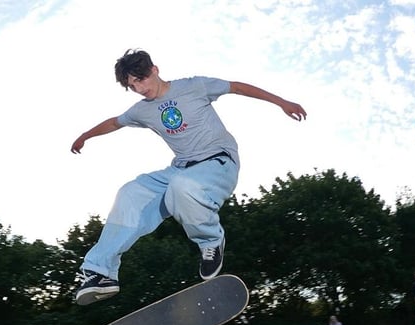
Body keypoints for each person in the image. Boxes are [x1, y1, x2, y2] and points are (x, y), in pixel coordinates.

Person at [70, 49, 307, 305]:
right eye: (132, 85)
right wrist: (85, 135)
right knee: (131, 193)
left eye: (141, 79)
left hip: (218, 163)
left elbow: (237, 87)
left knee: (182, 187)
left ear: (154, 69)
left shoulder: (194, 86)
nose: (139, 88)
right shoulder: (141, 110)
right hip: (181, 169)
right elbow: (115, 122)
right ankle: (101, 272)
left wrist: (282, 102)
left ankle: (211, 241)